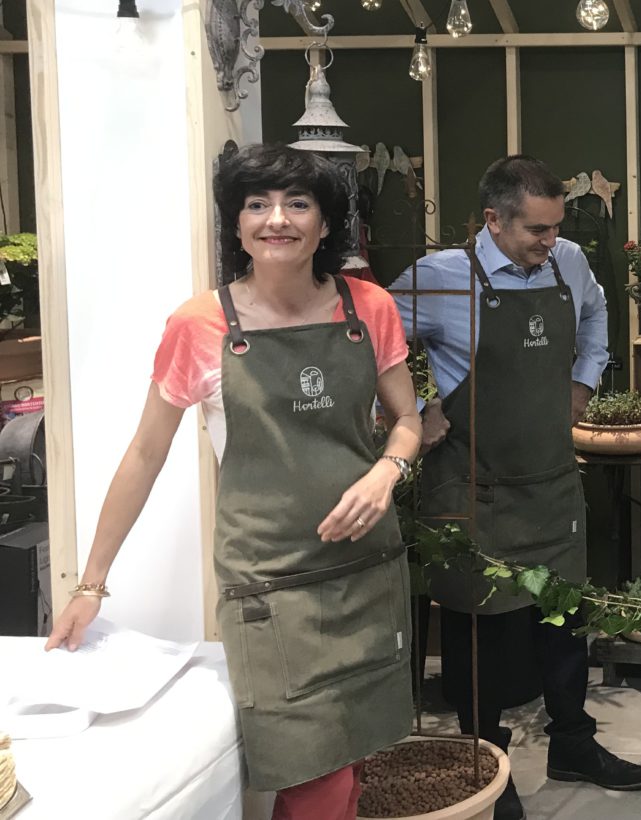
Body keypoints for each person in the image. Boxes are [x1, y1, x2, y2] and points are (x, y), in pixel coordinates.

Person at [46, 143, 422, 819]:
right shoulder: (201, 325)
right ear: (238, 223)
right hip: (270, 581)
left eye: (298, 204)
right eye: (258, 205)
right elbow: (144, 455)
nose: (278, 219)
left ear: (326, 223)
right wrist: (91, 583)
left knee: (352, 760)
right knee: (311, 770)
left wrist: (385, 473)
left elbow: (409, 421)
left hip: (364, 568)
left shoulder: (368, 308)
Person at [391, 155, 641, 820]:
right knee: (486, 645)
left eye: (555, 226)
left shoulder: (568, 264)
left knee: (566, 629)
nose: (551, 242)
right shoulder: (441, 279)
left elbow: (594, 316)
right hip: (476, 491)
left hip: (553, 485)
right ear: (493, 221)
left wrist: (584, 381)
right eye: (537, 230)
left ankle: (573, 744)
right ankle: (486, 770)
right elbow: (369, 344)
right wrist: (413, 412)